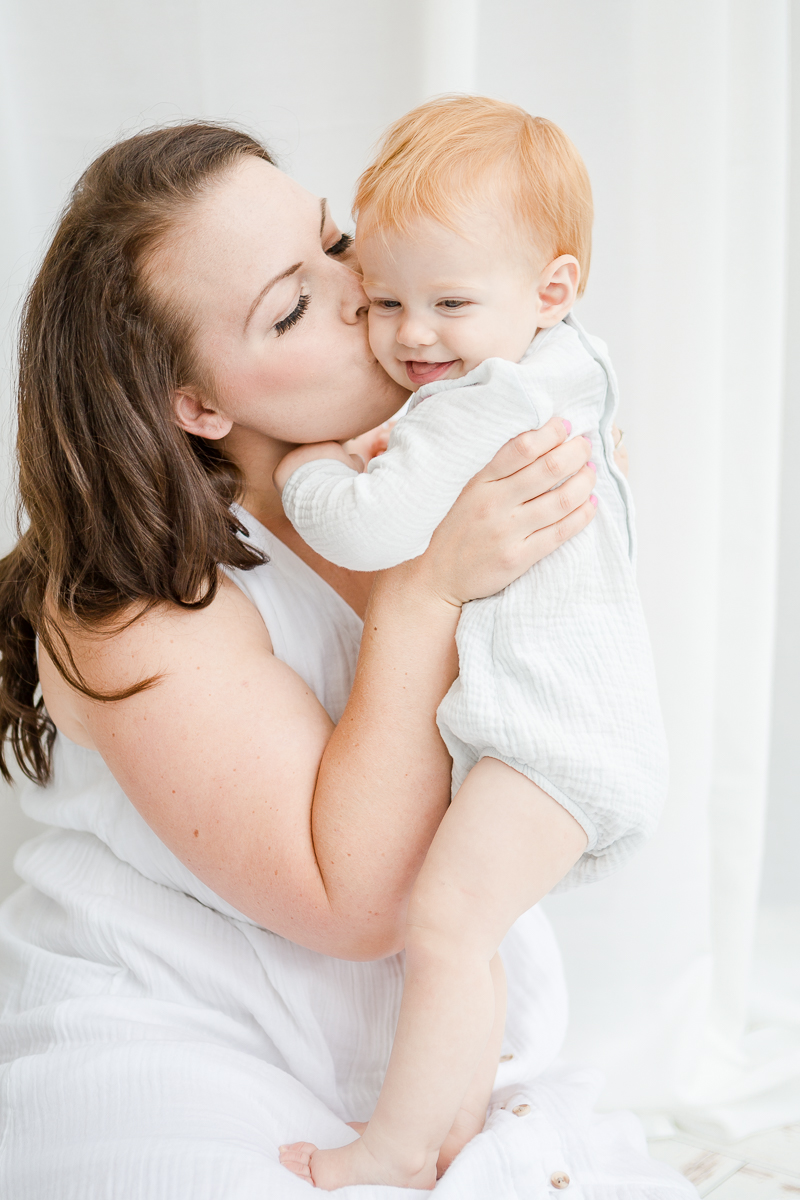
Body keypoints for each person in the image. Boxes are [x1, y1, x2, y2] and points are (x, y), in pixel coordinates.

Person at [0, 122, 695, 1200]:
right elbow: (355, 897)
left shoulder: (415, 466)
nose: (361, 288)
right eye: (290, 305)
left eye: (333, 242)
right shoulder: (128, 602)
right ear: (198, 405)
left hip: (392, 1067)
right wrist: (428, 595)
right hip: (179, 1047)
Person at [276, 97, 668, 1191]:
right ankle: (450, 1124)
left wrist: (314, 464)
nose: (411, 337)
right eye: (383, 301)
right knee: (468, 930)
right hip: (585, 729)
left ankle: (394, 1151)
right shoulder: (571, 365)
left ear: (550, 289)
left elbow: (365, 524)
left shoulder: (484, 400)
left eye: (449, 301)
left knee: (441, 921)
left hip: (550, 734)